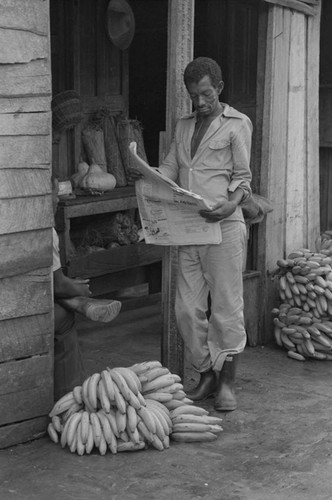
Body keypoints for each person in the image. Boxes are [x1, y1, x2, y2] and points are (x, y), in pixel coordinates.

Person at [131, 57, 252, 411]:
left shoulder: (237, 124)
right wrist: (145, 171)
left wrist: (231, 205)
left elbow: (243, 178)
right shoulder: (183, 127)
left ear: (219, 89)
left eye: (205, 94)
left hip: (224, 227)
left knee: (226, 309)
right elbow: (170, 168)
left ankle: (227, 381)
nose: (199, 102)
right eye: (193, 95)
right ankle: (206, 374)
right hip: (188, 230)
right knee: (186, 309)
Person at [52, 178, 122, 400]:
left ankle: (71, 300)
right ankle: (68, 396)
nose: (56, 200)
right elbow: (56, 283)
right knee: (64, 318)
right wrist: (78, 289)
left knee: (57, 296)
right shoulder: (42, 230)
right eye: (53, 195)